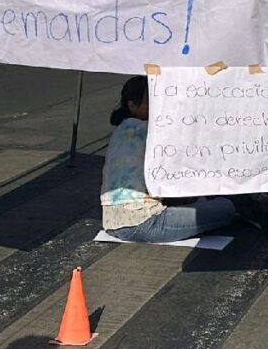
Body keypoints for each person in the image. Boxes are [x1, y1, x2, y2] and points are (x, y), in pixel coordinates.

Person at [101, 76, 237, 242]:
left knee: (198, 202)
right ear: (132, 105)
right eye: (151, 102)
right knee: (226, 208)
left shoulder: (120, 131)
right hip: (145, 222)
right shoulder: (149, 130)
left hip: (111, 223)